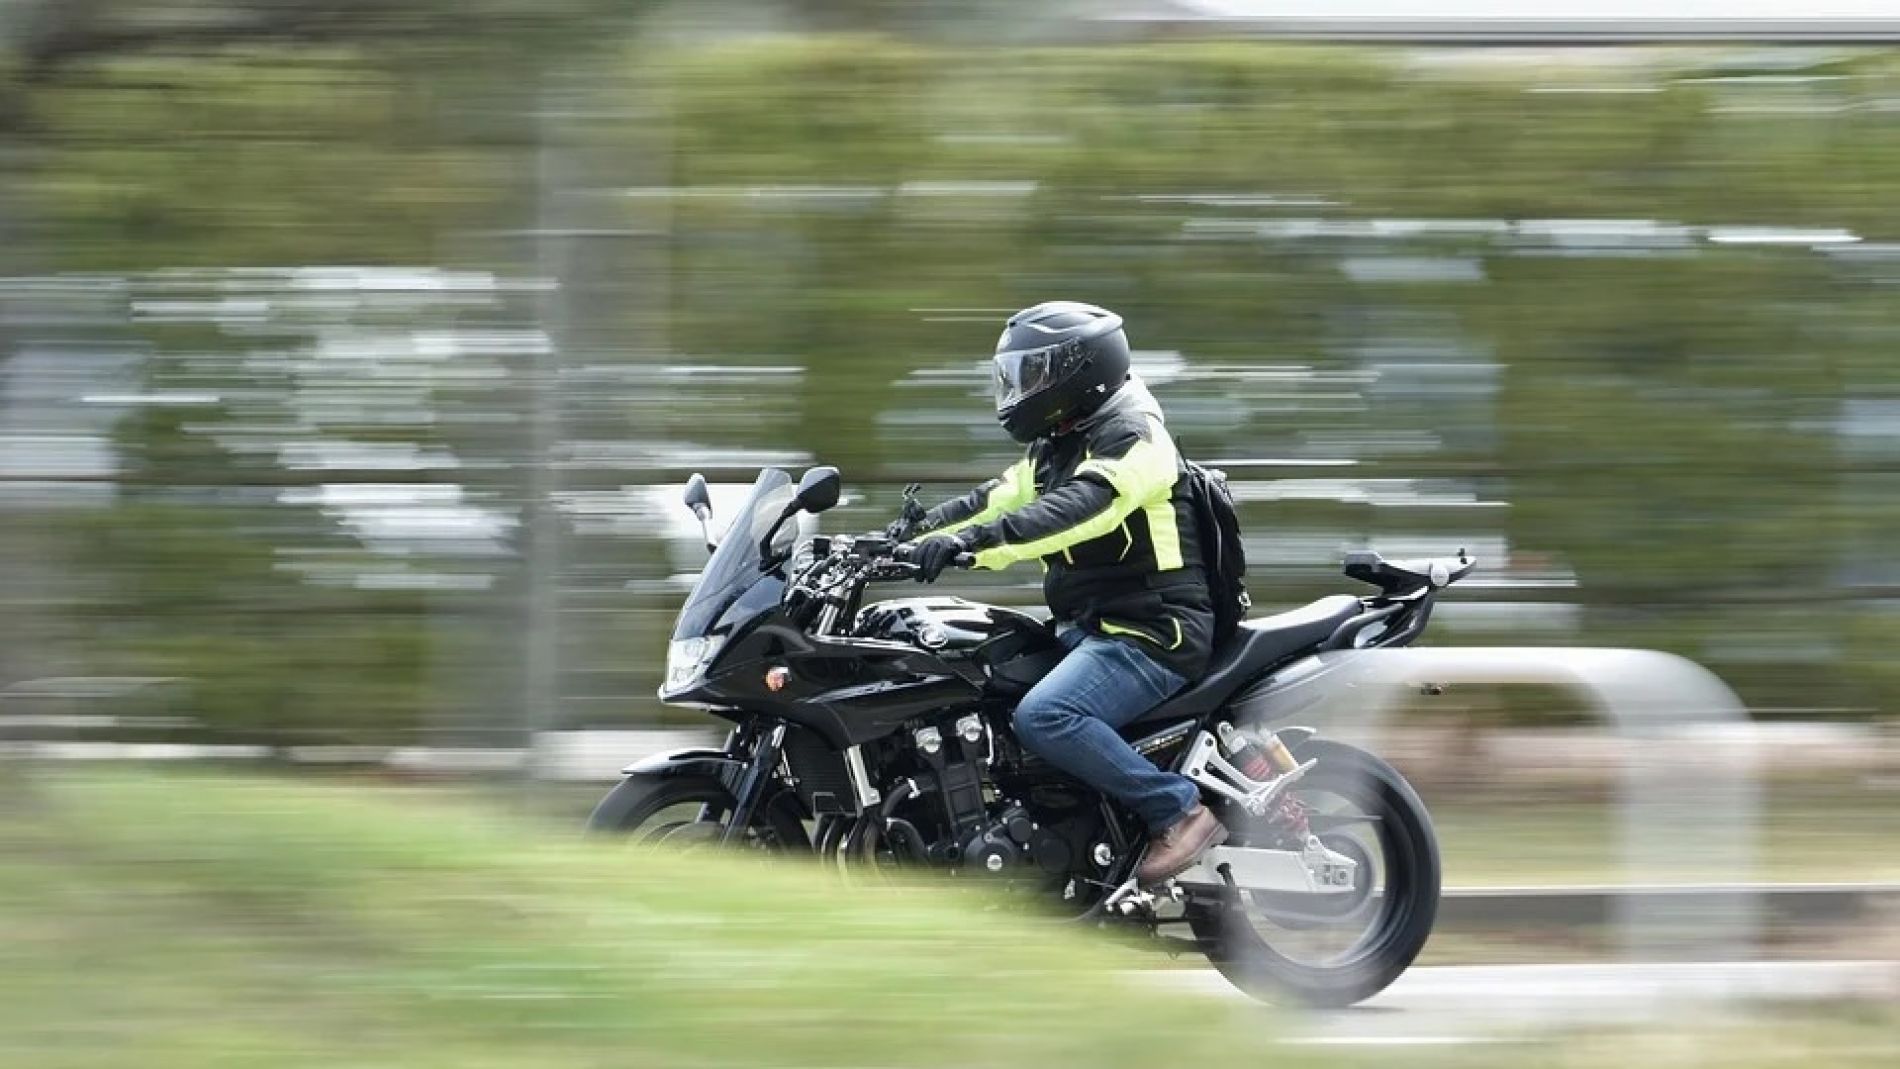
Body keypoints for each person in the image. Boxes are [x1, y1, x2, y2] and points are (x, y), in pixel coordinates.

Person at [904, 301, 1225, 884]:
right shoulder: (1058, 445)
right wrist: (898, 539)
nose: (1019, 388)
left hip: (1151, 632)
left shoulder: (1135, 438)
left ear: (1080, 371)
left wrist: (969, 544)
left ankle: (1178, 811)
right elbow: (992, 501)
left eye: (1032, 374)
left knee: (1047, 715)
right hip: (1090, 628)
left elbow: (1078, 511)